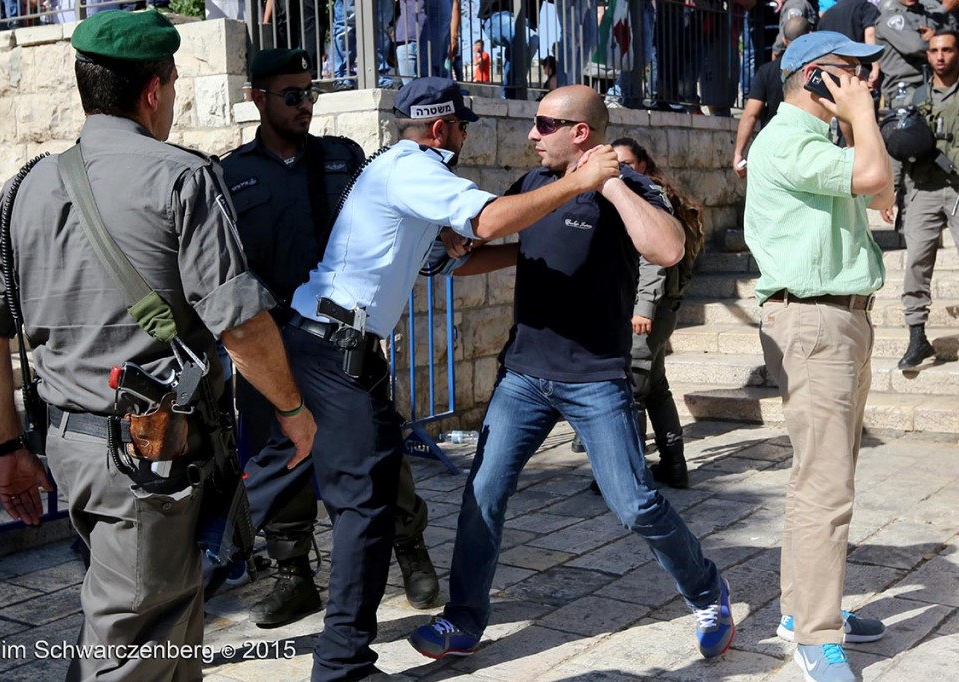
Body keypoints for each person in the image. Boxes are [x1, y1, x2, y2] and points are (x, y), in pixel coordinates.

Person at [0, 10, 316, 680]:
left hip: (72, 447)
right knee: (134, 645)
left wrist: (8, 448)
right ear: (155, 90)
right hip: (150, 456)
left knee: (167, 621)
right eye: (174, 87)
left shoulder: (24, 187)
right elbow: (239, 326)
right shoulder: (183, 178)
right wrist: (294, 412)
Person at [282, 76, 621, 680]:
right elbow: (487, 222)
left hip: (335, 348)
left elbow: (459, 251)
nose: (465, 138)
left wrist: (533, 248)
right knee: (363, 510)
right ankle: (341, 668)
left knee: (334, 496)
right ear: (442, 129)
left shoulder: (399, 168)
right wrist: (579, 183)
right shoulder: (418, 168)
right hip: (335, 352)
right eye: (464, 127)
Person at [407, 84, 735, 664]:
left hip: (594, 379)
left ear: (580, 133)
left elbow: (667, 249)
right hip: (524, 376)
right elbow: (500, 239)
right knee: (483, 491)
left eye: (544, 124)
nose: (531, 134)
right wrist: (461, 253)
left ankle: (708, 591)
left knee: (633, 503)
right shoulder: (535, 185)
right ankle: (463, 620)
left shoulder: (627, 187)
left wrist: (605, 180)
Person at [218, 47, 440, 626]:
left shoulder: (344, 160)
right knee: (283, 448)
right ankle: (292, 571)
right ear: (257, 100)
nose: (304, 105)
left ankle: (409, 548)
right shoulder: (230, 175)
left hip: (342, 340)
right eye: (290, 95)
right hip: (272, 343)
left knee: (376, 453)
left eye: (309, 93)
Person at [744, 31, 892, 682]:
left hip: (837, 316)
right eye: (851, 72)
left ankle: (800, 610)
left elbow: (874, 190)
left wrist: (862, 124)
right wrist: (864, 117)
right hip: (814, 321)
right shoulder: (788, 139)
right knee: (827, 487)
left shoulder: (813, 140)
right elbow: (874, 177)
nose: (865, 81)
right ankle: (816, 636)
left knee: (820, 477)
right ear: (812, 77)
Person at [613, 136, 705, 489]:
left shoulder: (649, 200)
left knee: (634, 388)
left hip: (647, 310)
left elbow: (654, 259)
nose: (621, 170)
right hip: (658, 309)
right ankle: (674, 466)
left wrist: (643, 308)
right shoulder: (646, 196)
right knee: (655, 388)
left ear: (643, 166)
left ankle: (630, 475)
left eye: (627, 164)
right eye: (616, 163)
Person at [895, 30, 959, 368]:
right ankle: (917, 337)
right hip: (923, 189)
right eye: (934, 50)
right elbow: (896, 145)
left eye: (947, 49)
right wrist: (891, 192)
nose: (940, 56)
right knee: (917, 260)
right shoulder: (916, 97)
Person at [734, 16, 813, 177]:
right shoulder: (815, 71)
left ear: (784, 39)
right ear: (809, 36)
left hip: (772, 148)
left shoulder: (766, 71)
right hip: (807, 149)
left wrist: (738, 154)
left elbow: (750, 114)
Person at [875, 0, 953, 107]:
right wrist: (933, 39)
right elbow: (915, 47)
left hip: (931, 82)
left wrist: (932, 36)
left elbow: (950, 40)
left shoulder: (924, 12)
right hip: (905, 87)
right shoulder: (891, 17)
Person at [478, 0, 540, 98]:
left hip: (527, 19)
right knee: (525, 38)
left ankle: (511, 92)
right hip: (498, 15)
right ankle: (513, 89)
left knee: (531, 41)